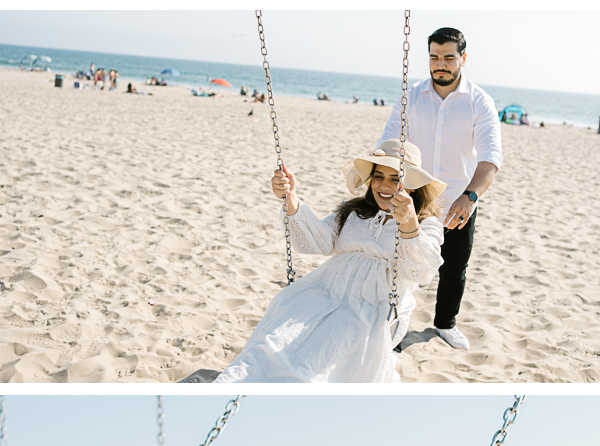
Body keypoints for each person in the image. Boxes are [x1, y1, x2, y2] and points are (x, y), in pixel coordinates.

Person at [213, 139, 445, 383]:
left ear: (413, 186)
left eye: (395, 179)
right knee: (274, 340)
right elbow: (318, 241)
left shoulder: (426, 224)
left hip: (373, 306)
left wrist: (409, 225)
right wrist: (290, 198)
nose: (384, 186)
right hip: (325, 291)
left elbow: (420, 270)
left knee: (320, 361)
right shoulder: (354, 212)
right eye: (378, 176)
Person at [379, 27, 502, 351]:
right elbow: (388, 143)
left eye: (449, 57)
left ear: (463, 58)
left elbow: (490, 159)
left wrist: (470, 196)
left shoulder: (480, 102)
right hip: (413, 200)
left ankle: (445, 324)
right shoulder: (412, 96)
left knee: (453, 268)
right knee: (402, 264)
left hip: (458, 202)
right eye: (434, 57)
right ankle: (394, 327)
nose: (440, 64)